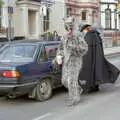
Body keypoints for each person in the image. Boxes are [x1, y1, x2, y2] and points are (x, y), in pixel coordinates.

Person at [56, 16, 88, 106]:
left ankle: (74, 98)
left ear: (73, 27)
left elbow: (85, 48)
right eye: (66, 27)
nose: (68, 29)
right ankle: (78, 89)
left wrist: (73, 48)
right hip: (66, 62)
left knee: (71, 81)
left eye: (70, 27)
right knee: (64, 81)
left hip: (75, 61)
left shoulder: (78, 36)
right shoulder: (64, 37)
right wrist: (59, 55)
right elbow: (61, 48)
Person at [78, 24, 120, 93]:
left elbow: (87, 50)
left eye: (84, 30)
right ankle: (96, 87)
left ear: (86, 29)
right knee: (96, 71)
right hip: (98, 56)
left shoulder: (88, 36)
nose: (83, 32)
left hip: (90, 57)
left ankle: (91, 87)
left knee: (90, 71)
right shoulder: (97, 34)